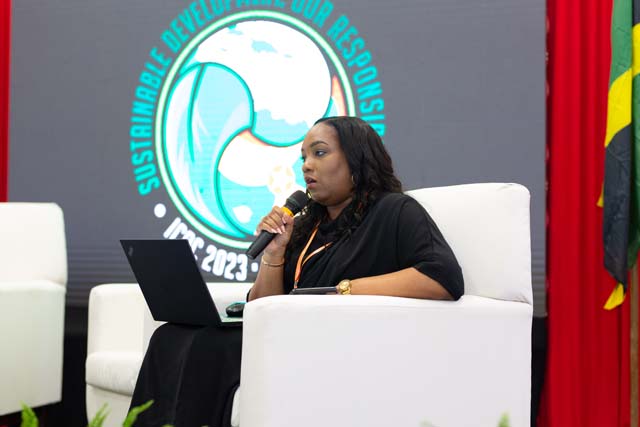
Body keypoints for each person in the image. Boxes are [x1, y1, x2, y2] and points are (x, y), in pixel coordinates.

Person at [129, 116, 463, 427]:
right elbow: (261, 307)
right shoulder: (306, 226)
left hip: (343, 341)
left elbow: (442, 276)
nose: (306, 165)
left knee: (212, 345)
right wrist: (274, 254)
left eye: (320, 153)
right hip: (289, 334)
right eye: (303, 157)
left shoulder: (394, 210)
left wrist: (346, 290)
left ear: (357, 159)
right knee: (170, 336)